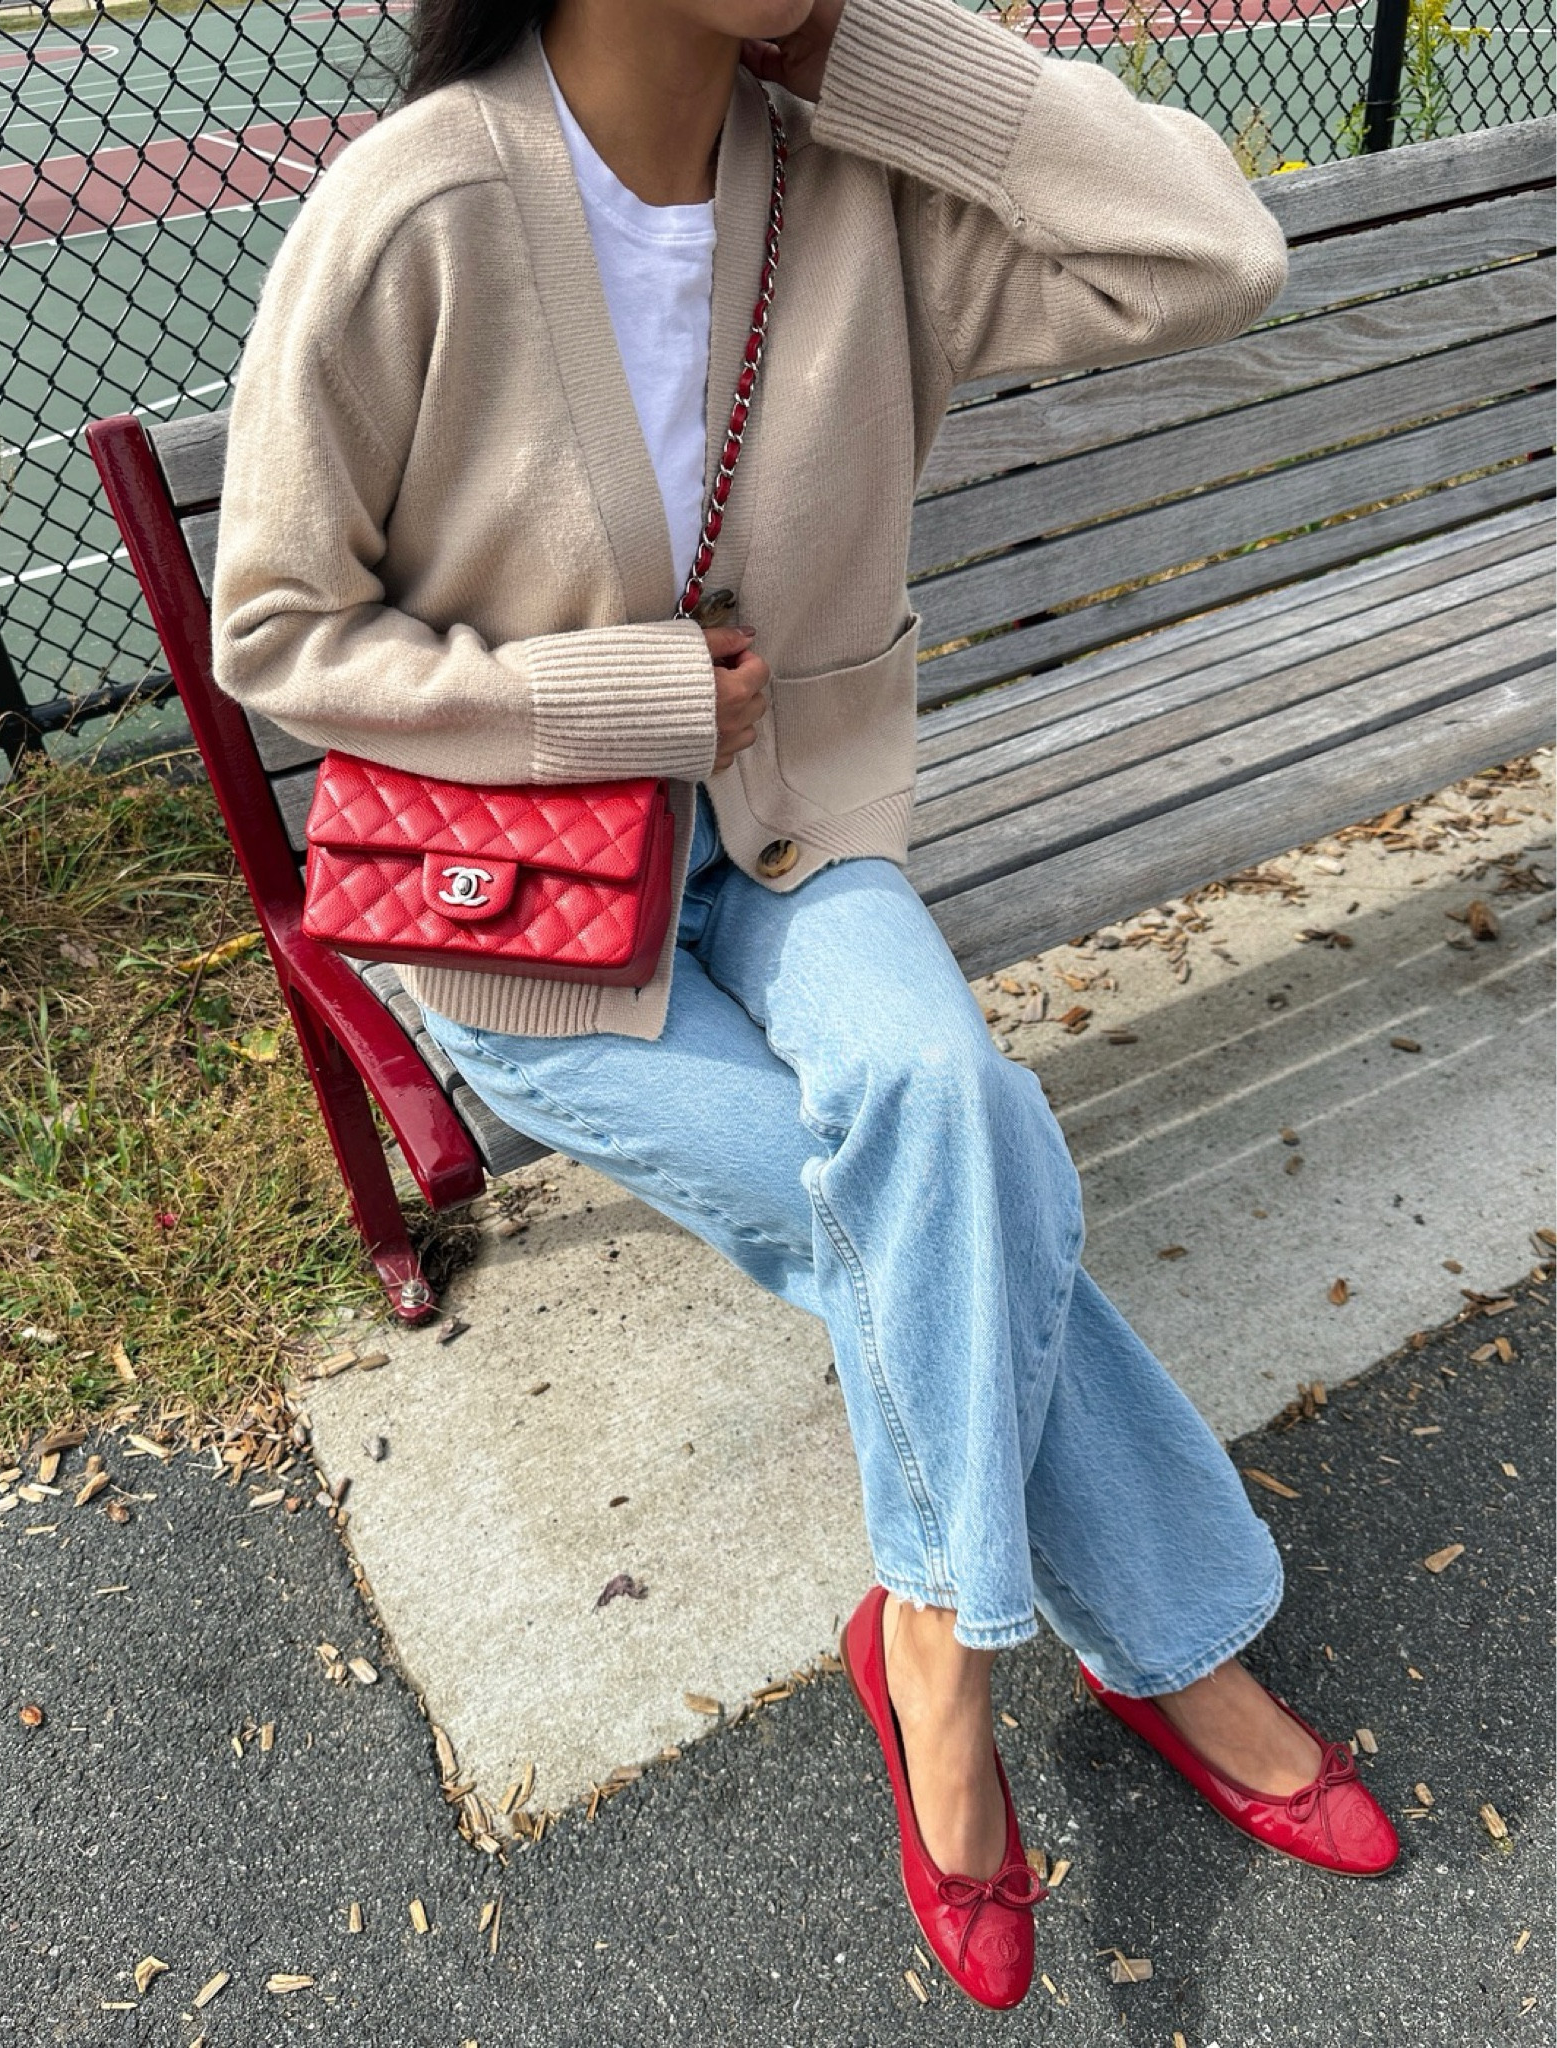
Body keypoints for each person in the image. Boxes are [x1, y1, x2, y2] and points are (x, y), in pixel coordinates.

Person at [209, 0, 1402, 2008]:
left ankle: (929, 1640)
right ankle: (1177, 1651)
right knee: (964, 1181)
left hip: (792, 838)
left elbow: (1214, 255)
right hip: (522, 909)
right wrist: (611, 697)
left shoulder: (861, 183)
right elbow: (275, 630)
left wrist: (877, 50)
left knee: (946, 1107)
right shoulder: (413, 209)